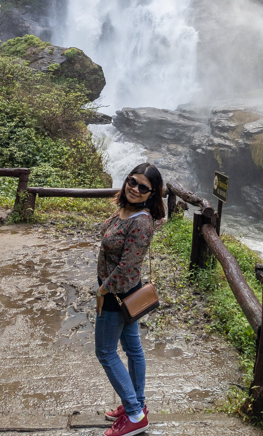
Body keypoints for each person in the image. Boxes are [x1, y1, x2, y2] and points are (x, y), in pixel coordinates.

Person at [95, 162, 165, 436]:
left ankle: (135, 415)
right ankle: (137, 404)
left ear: (152, 193)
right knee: (132, 347)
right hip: (124, 291)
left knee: (105, 352)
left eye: (143, 187)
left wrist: (101, 292)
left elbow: (127, 268)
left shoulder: (141, 223)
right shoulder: (126, 211)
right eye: (132, 182)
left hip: (118, 292)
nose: (135, 188)